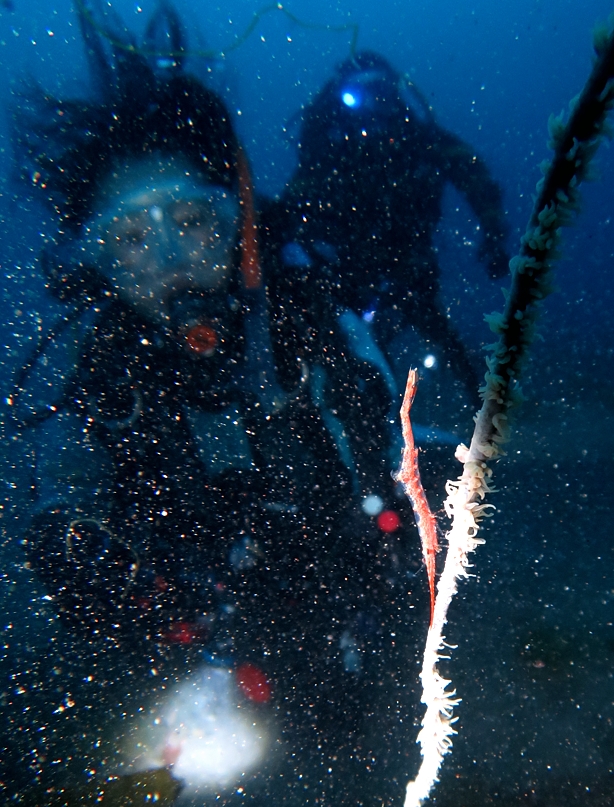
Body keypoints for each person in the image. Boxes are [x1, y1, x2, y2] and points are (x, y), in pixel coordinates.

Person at [5, 4, 408, 804]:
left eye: (192, 220)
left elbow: (396, 454)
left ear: (240, 224)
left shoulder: (309, 327)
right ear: (96, 262)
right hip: (204, 614)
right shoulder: (105, 374)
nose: (168, 261)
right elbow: (75, 497)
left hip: (342, 586)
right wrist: (86, 562)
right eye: (128, 239)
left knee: (353, 722)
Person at [263, 51, 511, 487]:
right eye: (360, 96)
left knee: (440, 333)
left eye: (381, 93)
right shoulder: (329, 145)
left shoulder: (420, 138)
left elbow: (473, 174)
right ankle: (367, 449)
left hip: (410, 259)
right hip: (349, 266)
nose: (373, 107)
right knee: (355, 351)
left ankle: (487, 422)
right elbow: (294, 201)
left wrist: (493, 233)